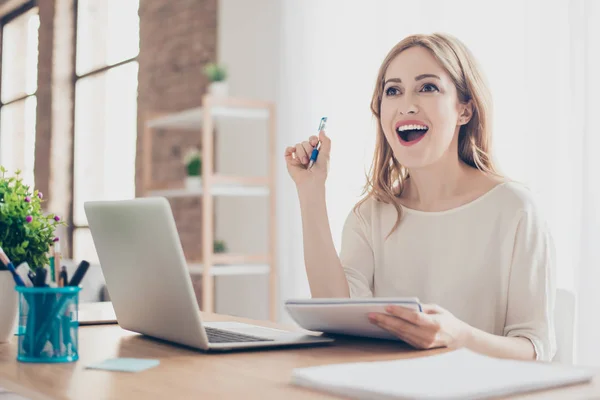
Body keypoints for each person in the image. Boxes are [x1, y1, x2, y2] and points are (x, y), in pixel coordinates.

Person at [284, 32, 556, 362]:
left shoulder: (516, 210)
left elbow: (535, 349)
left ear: (464, 110)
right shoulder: (369, 216)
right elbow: (334, 316)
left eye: (427, 87)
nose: (407, 105)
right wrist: (311, 190)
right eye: (393, 90)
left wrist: (460, 337)